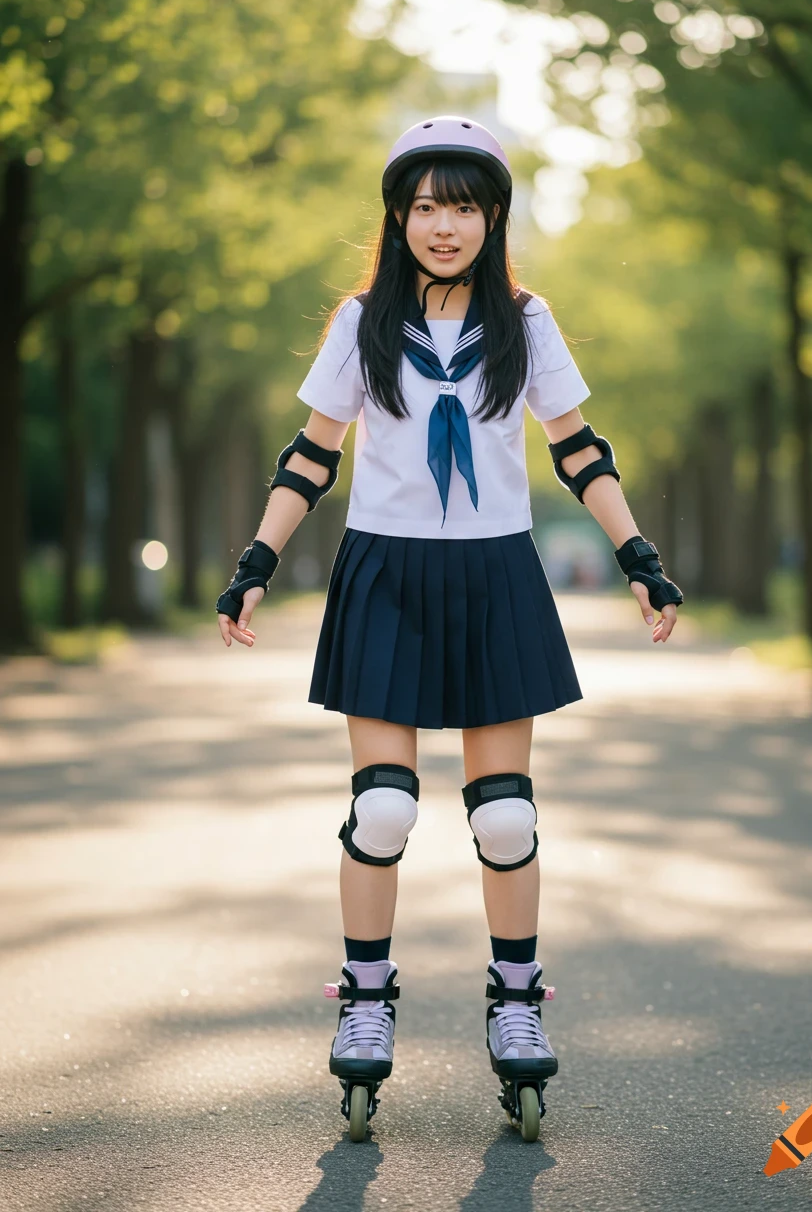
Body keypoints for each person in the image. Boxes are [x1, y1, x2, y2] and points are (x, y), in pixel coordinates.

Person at [216, 115, 683, 1141]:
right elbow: (311, 452)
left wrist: (636, 556)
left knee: (502, 818)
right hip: (384, 570)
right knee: (382, 810)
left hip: (493, 570)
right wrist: (256, 561)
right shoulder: (359, 322)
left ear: (492, 217)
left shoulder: (524, 318)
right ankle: (366, 1002)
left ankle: (515, 1002)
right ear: (397, 214)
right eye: (424, 205)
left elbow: (578, 449)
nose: (442, 225)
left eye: (462, 206)